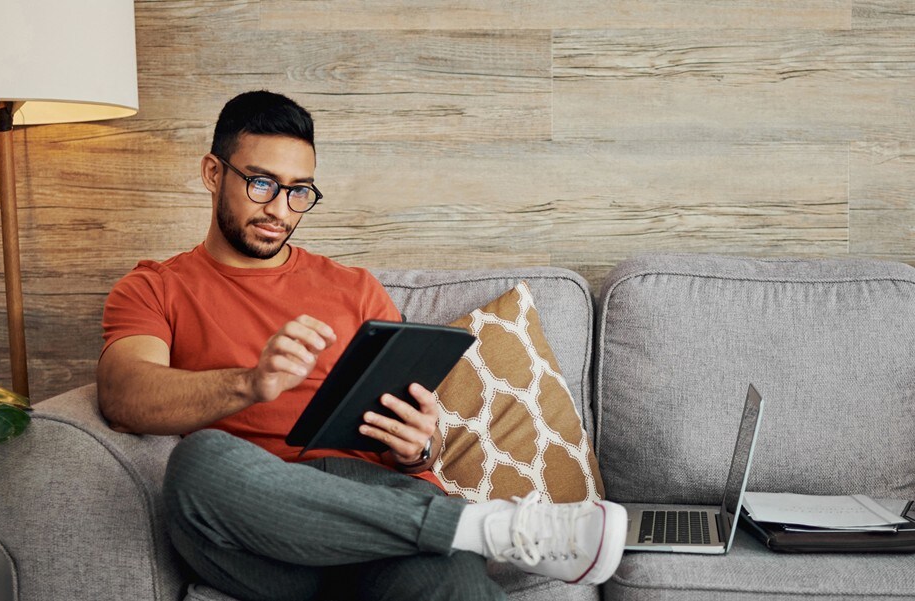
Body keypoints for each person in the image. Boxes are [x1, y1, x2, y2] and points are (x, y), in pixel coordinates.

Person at [97, 90, 627, 601]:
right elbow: (124, 399)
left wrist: (421, 445)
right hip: (264, 531)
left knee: (454, 582)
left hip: (383, 518)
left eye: (299, 191)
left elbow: (422, 435)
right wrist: (249, 383)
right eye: (261, 184)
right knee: (198, 462)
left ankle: (470, 528)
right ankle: (483, 526)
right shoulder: (154, 287)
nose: (280, 209)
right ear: (214, 173)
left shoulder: (355, 288)